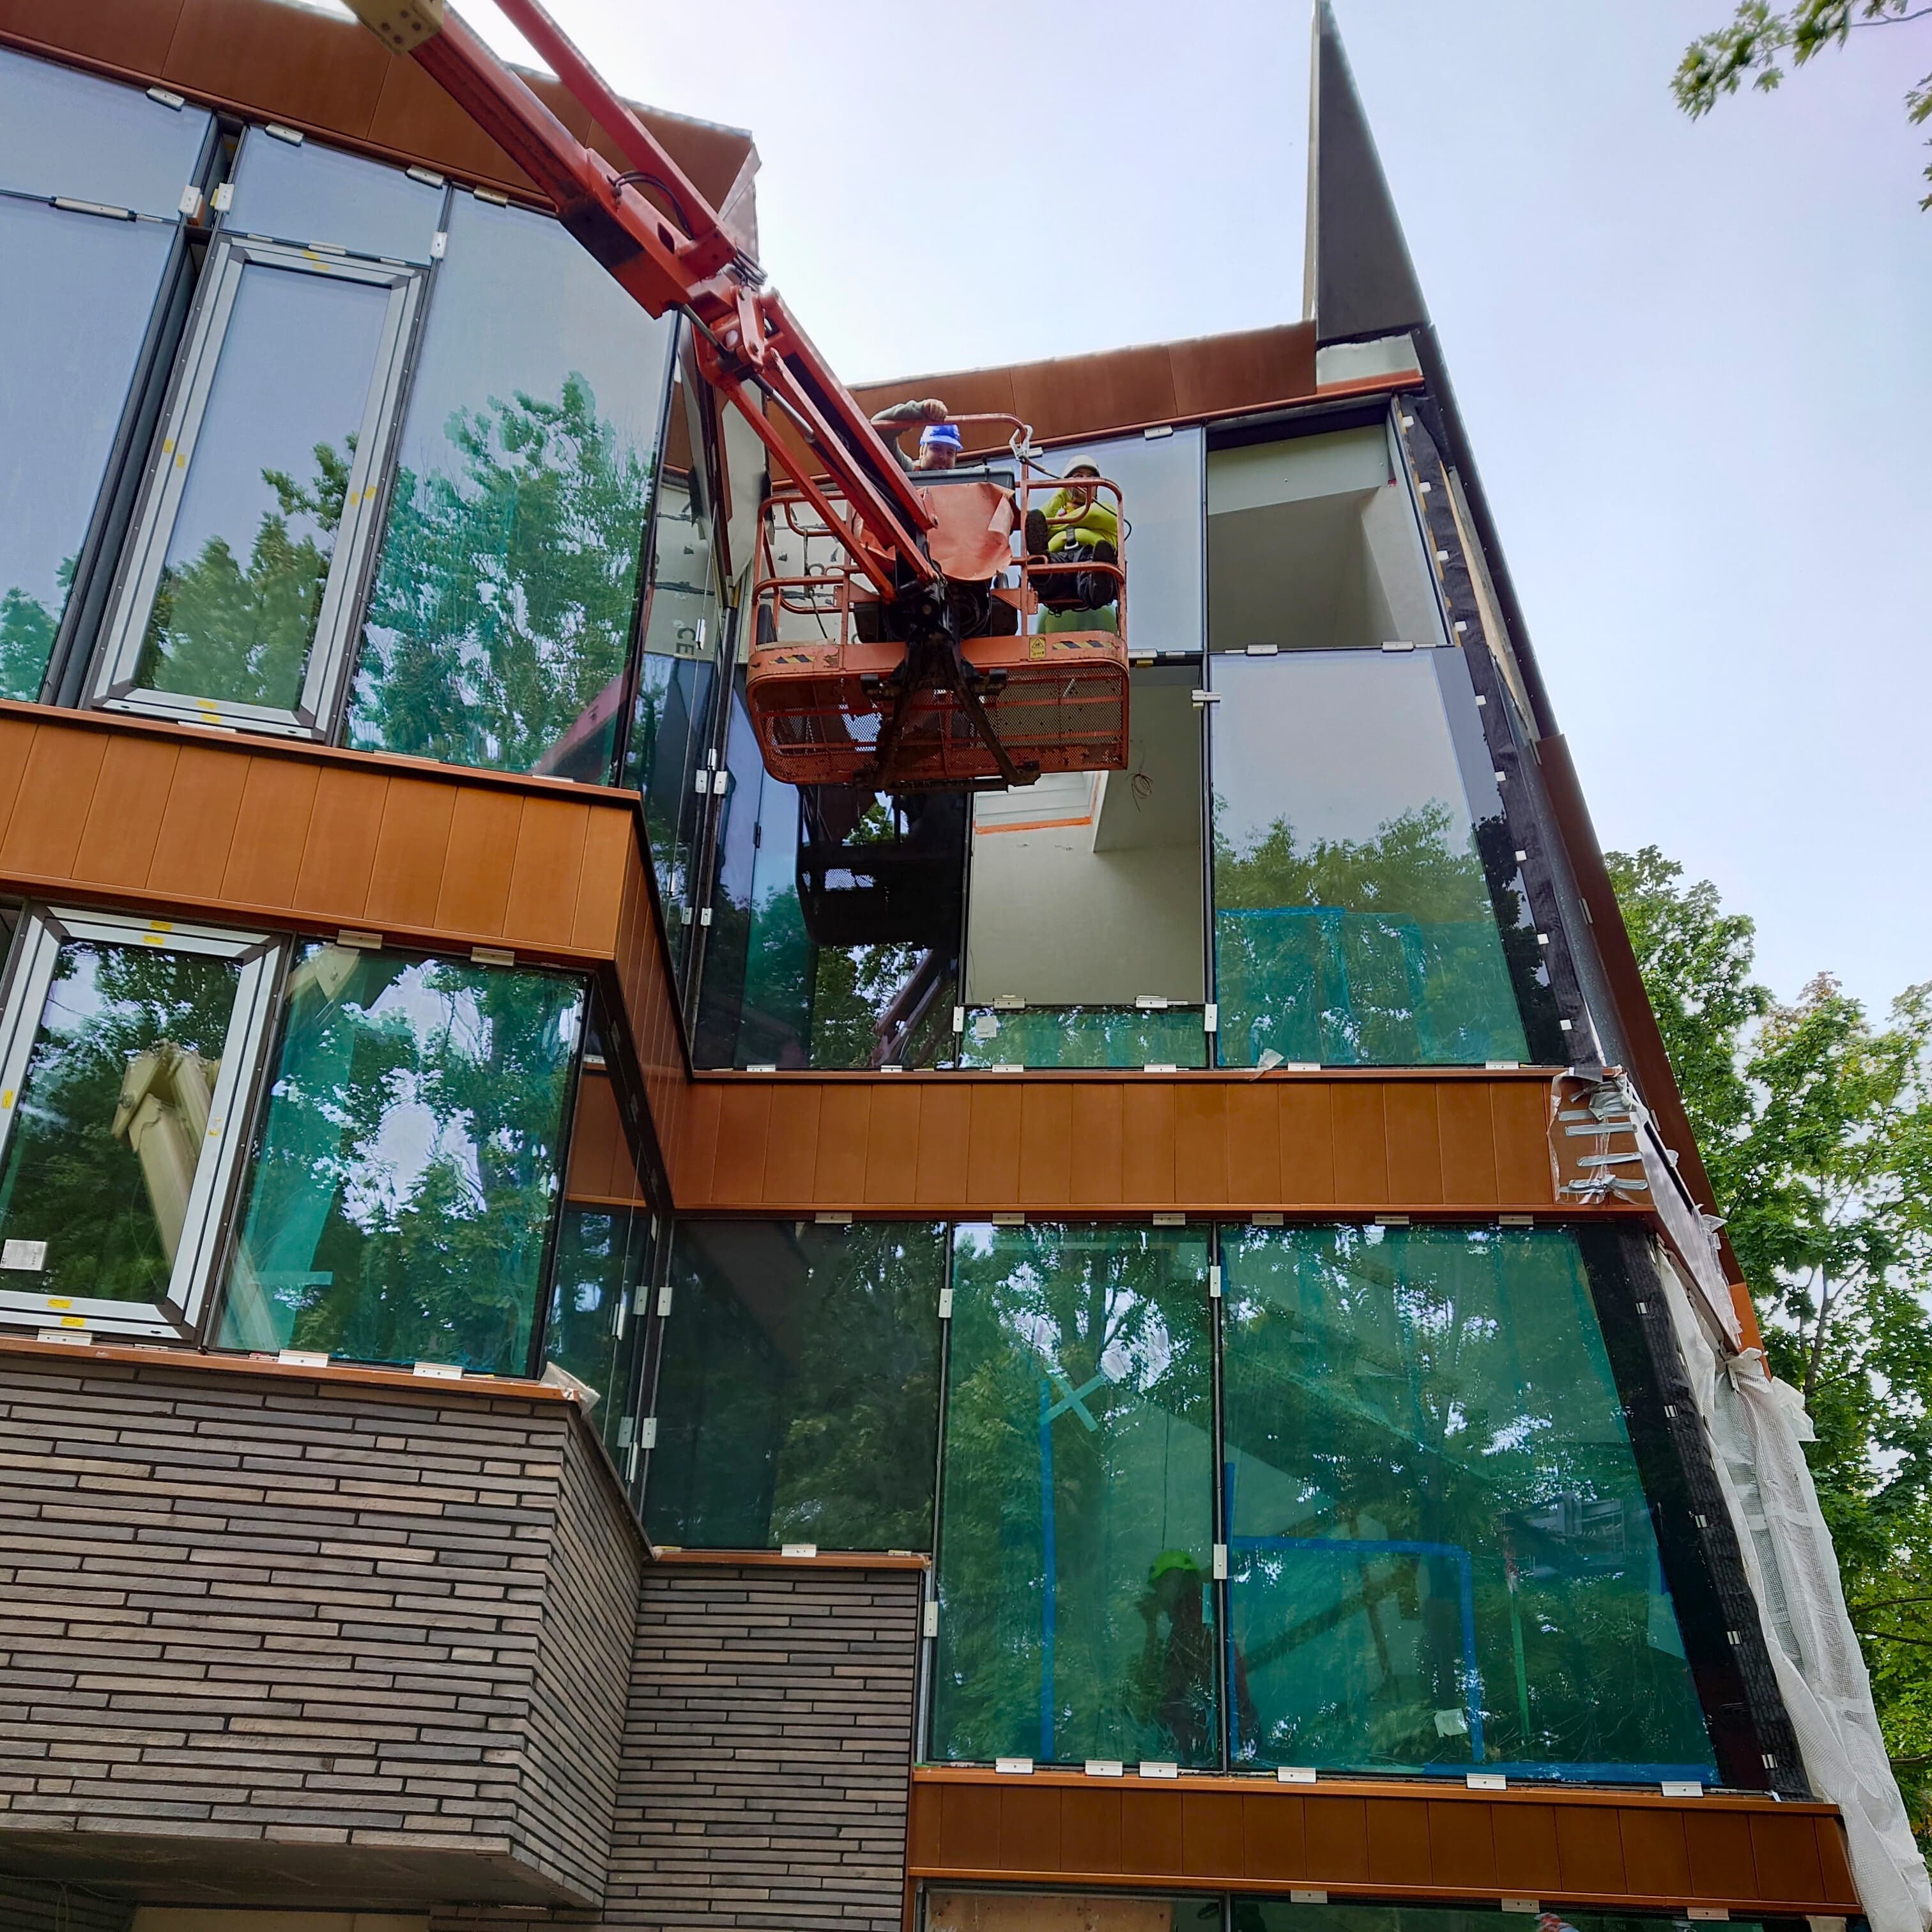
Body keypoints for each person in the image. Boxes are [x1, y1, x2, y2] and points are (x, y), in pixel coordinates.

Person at [1026, 459, 1120, 622]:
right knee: (1045, 561)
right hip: (1061, 563)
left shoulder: (1107, 509)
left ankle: (1100, 583)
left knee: (1094, 567)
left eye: (1090, 477)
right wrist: (1061, 494)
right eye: (1078, 476)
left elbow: (1093, 514)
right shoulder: (1056, 516)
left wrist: (1056, 530)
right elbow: (1033, 523)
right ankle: (1041, 571)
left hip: (1089, 558)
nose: (1084, 481)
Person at [870, 397, 962, 472]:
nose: (943, 457)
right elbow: (878, 430)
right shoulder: (908, 470)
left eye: (950, 453)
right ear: (922, 451)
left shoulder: (964, 484)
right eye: (936, 449)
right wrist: (921, 410)